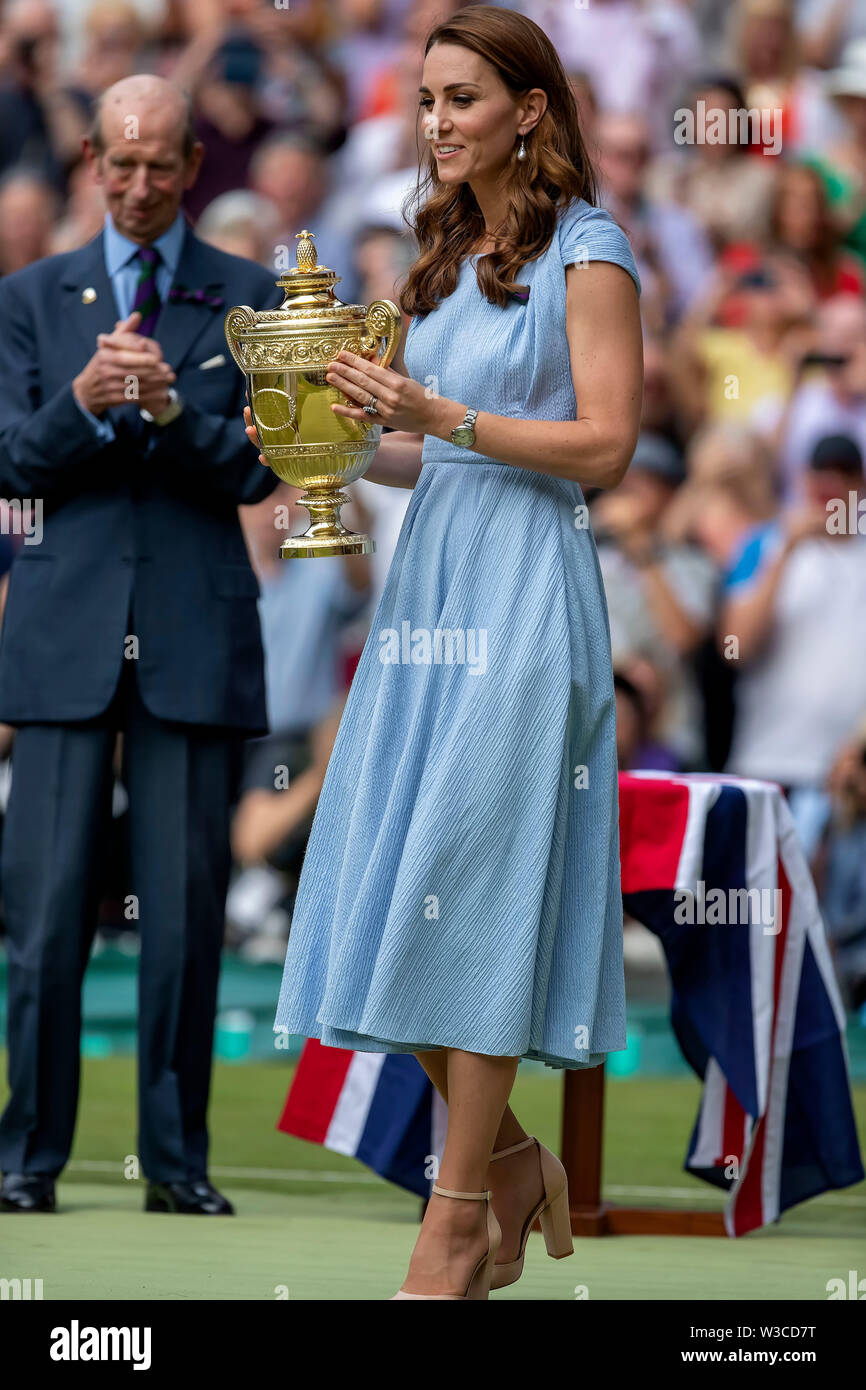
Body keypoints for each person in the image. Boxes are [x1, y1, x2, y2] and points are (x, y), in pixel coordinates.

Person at [248, 4, 643, 1299]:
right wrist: (339, 443)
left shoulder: (591, 250)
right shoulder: (441, 249)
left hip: (530, 596)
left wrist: (440, 413)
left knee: (462, 896)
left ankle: (456, 1215)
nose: (437, 123)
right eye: (426, 100)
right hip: (430, 591)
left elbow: (602, 447)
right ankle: (515, 1160)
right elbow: (432, 446)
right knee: (379, 888)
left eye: (462, 98)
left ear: (529, 108)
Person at [0, 74, 281, 1216]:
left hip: (193, 634)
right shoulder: (28, 296)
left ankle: (178, 1165)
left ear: (190, 168)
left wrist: (172, 416)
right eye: (118, 164)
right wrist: (81, 398)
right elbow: (14, 458)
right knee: (47, 915)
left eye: (160, 164)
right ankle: (26, 1157)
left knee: (182, 921)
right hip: (65, 636)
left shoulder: (254, 293)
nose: (138, 184)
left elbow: (263, 469)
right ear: (87, 158)